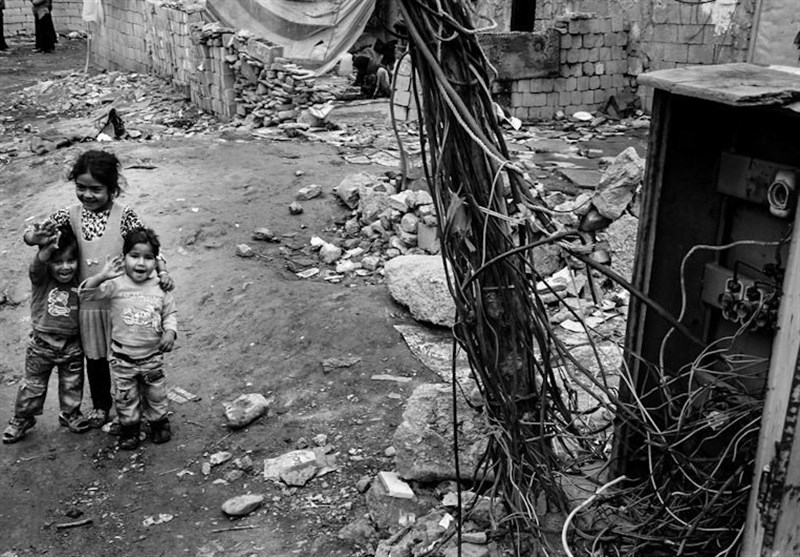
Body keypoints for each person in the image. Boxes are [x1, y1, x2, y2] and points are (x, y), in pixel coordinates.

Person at [23, 150, 174, 430]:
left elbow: (148, 247)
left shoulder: (124, 216)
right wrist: (34, 237)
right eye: (81, 187)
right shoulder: (68, 215)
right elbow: (34, 234)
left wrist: (162, 271)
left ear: (112, 188)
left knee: (129, 353)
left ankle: (140, 402)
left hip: (122, 302)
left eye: (96, 189)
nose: (88, 195)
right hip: (88, 304)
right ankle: (102, 406)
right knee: (95, 357)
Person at [80, 227, 177, 450]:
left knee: (156, 394)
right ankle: (130, 429)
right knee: (125, 397)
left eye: (148, 257)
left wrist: (170, 332)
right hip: (123, 359)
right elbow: (86, 295)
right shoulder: (115, 285)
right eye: (134, 256)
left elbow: (170, 313)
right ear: (124, 257)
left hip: (152, 358)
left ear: (156, 261)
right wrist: (102, 275)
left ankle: (159, 423)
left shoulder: (160, 287)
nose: (141, 263)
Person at [3, 226, 90, 444]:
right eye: (57, 261)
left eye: (70, 261)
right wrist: (46, 250)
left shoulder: (79, 280)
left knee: (72, 383)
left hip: (72, 345)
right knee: (33, 386)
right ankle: (23, 418)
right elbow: (37, 265)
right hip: (41, 345)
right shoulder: (41, 279)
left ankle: (70, 413)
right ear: (48, 262)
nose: (65, 267)